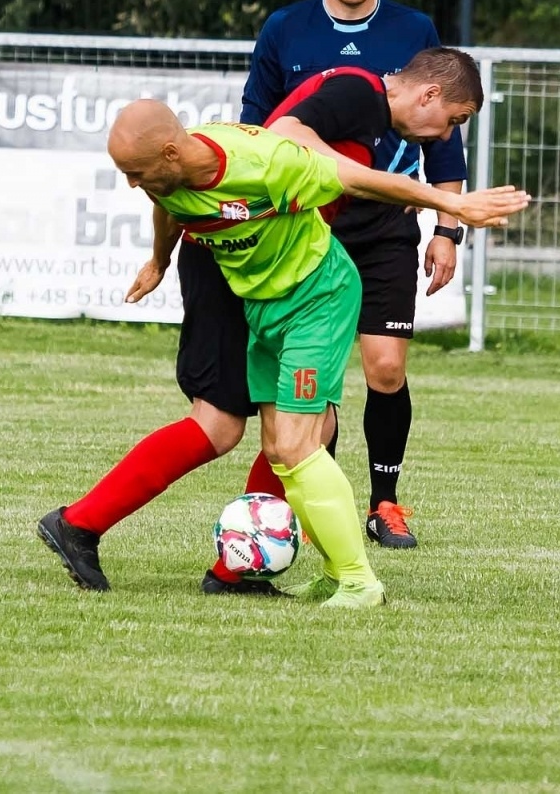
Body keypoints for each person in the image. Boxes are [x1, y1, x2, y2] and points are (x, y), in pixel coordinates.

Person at [37, 96, 527, 609]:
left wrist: (451, 207)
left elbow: (358, 179)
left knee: (296, 446)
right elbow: (169, 209)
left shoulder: (269, 164)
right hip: (264, 311)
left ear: (170, 153)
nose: (132, 185)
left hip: (318, 300)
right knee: (285, 444)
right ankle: (321, 574)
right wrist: (158, 262)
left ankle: (359, 580)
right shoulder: (172, 179)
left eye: (136, 173)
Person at [236, 0, 462, 551]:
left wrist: (449, 228)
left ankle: (385, 503)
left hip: (389, 220)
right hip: (311, 223)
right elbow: (256, 122)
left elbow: (440, 134)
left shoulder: (413, 29)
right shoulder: (287, 28)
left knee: (386, 368)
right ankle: (316, 506)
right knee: (318, 374)